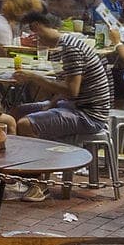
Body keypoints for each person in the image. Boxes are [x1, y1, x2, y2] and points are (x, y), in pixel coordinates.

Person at [10, 11, 114, 155]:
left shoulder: (70, 48)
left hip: (88, 115)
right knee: (15, 114)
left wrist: (34, 77)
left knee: (25, 125)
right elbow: (63, 86)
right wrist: (50, 105)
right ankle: (16, 163)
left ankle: (37, 170)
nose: (29, 39)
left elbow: (71, 90)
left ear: (36, 27)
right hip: (70, 106)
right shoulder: (58, 48)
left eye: (29, 34)